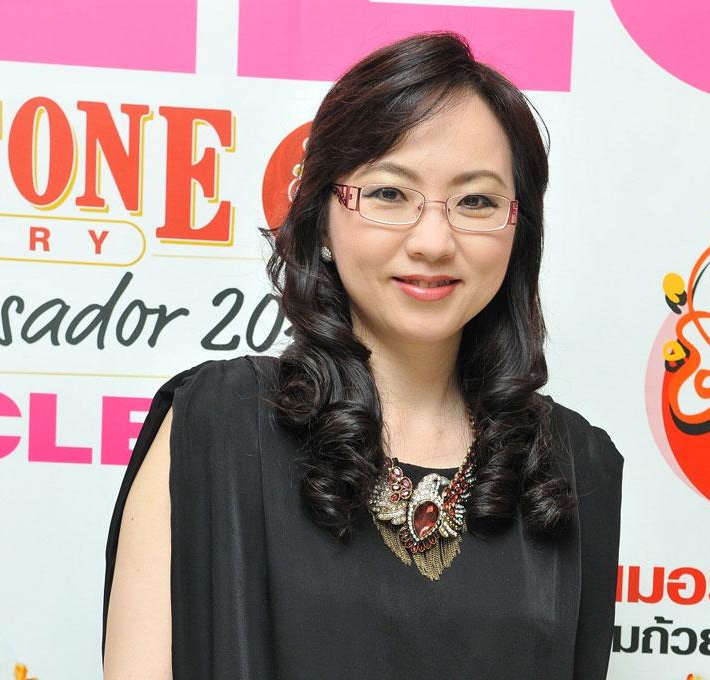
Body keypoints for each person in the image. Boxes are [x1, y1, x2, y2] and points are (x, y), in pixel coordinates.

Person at [102, 31, 623, 680]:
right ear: (322, 216)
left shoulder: (575, 466)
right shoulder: (218, 425)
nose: (433, 241)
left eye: (476, 201)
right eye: (389, 194)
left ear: (519, 229)